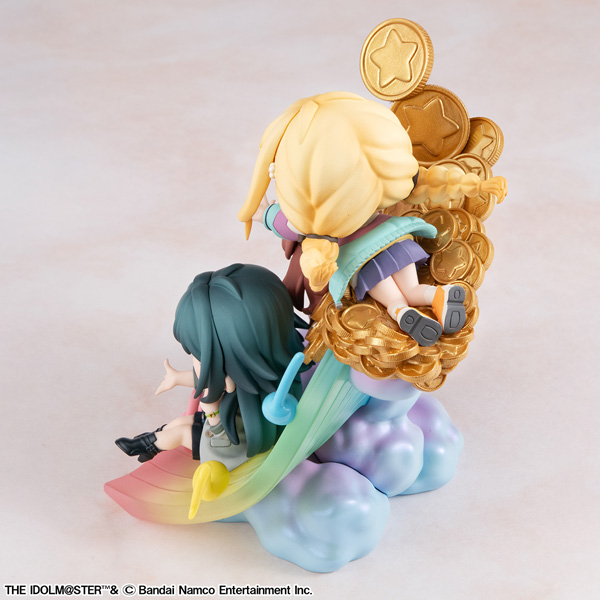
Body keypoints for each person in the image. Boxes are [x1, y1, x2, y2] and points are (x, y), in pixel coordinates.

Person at [238, 92, 506, 346]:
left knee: (393, 298)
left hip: (361, 259)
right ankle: (439, 295)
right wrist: (477, 185)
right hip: (393, 240)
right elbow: (427, 182)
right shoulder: (325, 215)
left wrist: (265, 214)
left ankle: (401, 312)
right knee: (413, 288)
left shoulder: (309, 223)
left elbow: (286, 224)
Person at [115, 263, 306, 469]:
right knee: (181, 423)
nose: (199, 363)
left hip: (230, 445)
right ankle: (148, 443)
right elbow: (205, 378)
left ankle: (147, 445)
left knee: (181, 431)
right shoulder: (250, 374)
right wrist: (177, 377)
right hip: (225, 423)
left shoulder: (257, 397)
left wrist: (212, 412)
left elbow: (227, 439)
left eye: (201, 356)